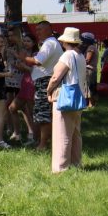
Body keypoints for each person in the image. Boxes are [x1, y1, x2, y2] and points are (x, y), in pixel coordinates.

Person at [46, 28, 87, 173]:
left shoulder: (67, 55)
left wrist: (48, 89)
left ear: (64, 41)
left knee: (62, 134)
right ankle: (76, 163)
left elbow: (56, 77)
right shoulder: (80, 55)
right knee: (76, 133)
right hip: (79, 97)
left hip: (65, 98)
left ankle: (60, 168)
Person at [23, 21, 61, 152]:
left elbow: (38, 61)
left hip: (45, 81)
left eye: (40, 30)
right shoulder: (50, 43)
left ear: (49, 30)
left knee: (44, 114)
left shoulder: (49, 43)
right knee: (41, 113)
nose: (37, 33)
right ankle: (42, 141)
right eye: (36, 30)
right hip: (43, 81)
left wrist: (25, 57)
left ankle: (43, 145)